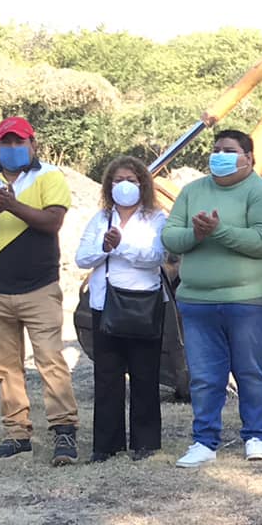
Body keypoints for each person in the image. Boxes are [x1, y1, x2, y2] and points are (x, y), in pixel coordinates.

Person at [162, 130, 262, 467]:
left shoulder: (261, 193)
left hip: (249, 301)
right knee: (204, 376)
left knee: (251, 371)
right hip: (197, 302)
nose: (220, 155)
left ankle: (256, 436)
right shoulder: (192, 191)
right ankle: (204, 441)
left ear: (248, 157)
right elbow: (170, 237)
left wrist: (218, 232)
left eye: (229, 151)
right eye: (216, 149)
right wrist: (196, 234)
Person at [0, 117, 77, 464]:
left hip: (39, 288)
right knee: (5, 367)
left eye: (19, 142)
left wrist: (12, 205)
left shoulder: (50, 177)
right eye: (6, 143)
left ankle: (64, 433)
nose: (13, 149)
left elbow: (52, 222)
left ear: (34, 143)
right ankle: (16, 435)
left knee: (50, 361)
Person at [75, 156, 170, 462]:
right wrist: (103, 247)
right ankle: (106, 444)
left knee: (145, 375)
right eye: (117, 180)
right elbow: (82, 257)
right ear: (108, 185)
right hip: (106, 305)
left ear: (143, 183)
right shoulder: (100, 219)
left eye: (131, 179)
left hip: (144, 304)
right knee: (107, 376)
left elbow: (156, 256)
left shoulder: (156, 218)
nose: (124, 185)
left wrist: (120, 247)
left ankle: (145, 442)